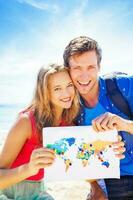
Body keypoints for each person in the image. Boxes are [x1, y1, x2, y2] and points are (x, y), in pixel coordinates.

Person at [63, 36, 133, 200]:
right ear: (68, 70)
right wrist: (94, 186)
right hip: (114, 181)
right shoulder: (70, 107)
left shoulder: (124, 85)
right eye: (77, 68)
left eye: (91, 67)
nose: (84, 76)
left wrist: (125, 125)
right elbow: (79, 155)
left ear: (99, 67)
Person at [0, 64, 80, 199]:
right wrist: (30, 168)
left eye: (69, 85)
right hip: (8, 192)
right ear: (45, 92)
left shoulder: (69, 124)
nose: (66, 93)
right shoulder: (25, 122)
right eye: (57, 89)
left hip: (38, 191)